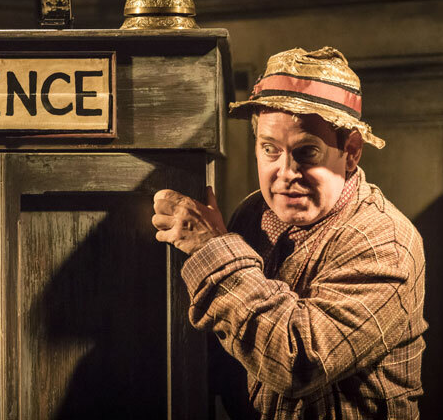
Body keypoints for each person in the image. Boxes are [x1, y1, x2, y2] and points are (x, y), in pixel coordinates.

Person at [152, 47, 427, 419]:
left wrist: (213, 249)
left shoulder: (384, 242)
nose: (285, 173)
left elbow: (298, 362)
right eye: (270, 150)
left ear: (351, 152)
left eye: (306, 152)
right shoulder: (254, 213)